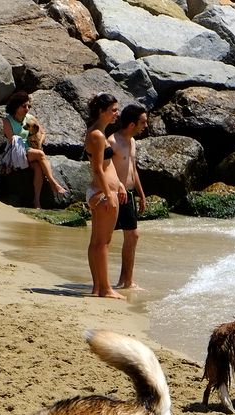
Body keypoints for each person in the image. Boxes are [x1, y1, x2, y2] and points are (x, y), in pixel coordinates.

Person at [84, 92, 127, 299]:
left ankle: (98, 287)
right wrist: (109, 194)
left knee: (97, 242)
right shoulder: (97, 135)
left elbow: (108, 167)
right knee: (103, 243)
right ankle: (106, 289)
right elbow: (98, 169)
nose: (116, 114)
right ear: (101, 111)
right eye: (113, 110)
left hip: (103, 190)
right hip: (101, 192)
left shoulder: (98, 132)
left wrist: (119, 184)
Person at [107, 104, 149, 290]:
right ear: (132, 124)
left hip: (130, 194)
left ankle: (125, 280)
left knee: (132, 236)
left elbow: (133, 170)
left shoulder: (131, 142)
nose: (145, 126)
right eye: (143, 122)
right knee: (109, 237)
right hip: (116, 193)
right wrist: (121, 186)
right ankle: (123, 281)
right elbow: (106, 168)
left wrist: (142, 194)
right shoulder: (113, 141)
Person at [1, 91, 67, 208]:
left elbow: (43, 132)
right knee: (40, 155)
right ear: (16, 106)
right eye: (24, 106)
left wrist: (39, 142)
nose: (27, 109)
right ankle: (53, 182)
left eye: (29, 106)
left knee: (37, 168)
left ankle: (36, 201)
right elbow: (12, 140)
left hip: (31, 151)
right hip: (17, 152)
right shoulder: (7, 121)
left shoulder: (30, 118)